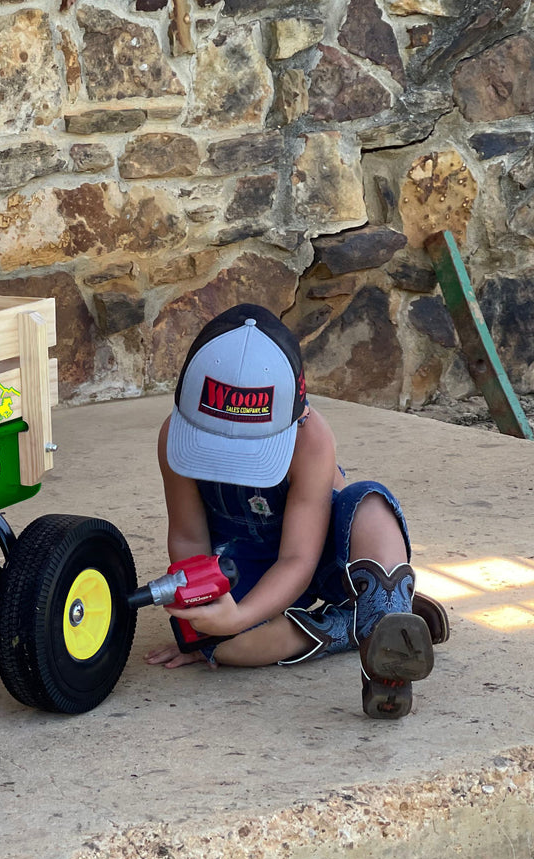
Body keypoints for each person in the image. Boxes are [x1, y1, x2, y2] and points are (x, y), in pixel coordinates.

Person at [144, 304, 448, 719]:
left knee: (371, 502)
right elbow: (188, 537)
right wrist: (208, 614)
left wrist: (243, 615)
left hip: (318, 552)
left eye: (250, 451)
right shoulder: (172, 436)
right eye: (213, 446)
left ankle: (387, 616)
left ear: (299, 413)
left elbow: (298, 559)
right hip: (243, 558)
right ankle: (364, 626)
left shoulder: (311, 438)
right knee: (226, 648)